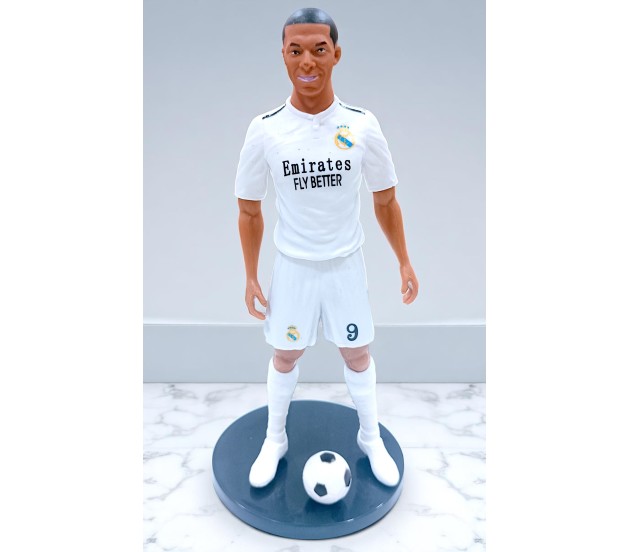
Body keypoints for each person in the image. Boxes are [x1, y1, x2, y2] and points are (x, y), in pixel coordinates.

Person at [235, 7, 419, 488]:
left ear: (336, 54)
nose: (307, 62)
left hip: (344, 266)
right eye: (295, 50)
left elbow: (385, 199)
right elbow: (249, 210)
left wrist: (403, 260)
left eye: (319, 50)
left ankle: (370, 436)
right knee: (285, 355)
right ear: (282, 55)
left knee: (357, 354)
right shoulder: (266, 129)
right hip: (294, 267)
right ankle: (275, 438)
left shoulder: (361, 125)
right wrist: (251, 275)